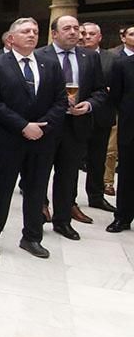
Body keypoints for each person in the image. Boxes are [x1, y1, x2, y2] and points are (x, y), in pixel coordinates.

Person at [0, 17, 67, 258]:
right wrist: (23, 126)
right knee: (1, 188)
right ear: (11, 38)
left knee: (36, 189)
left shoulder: (50, 64)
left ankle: (32, 237)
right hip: (7, 138)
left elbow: (61, 101)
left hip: (42, 139)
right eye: (26, 31)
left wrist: (42, 127)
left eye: (35, 31)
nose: (32, 35)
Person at [39, 15, 107, 238]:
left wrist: (88, 105)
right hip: (47, 124)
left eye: (75, 28)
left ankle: (63, 220)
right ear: (55, 33)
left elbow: (99, 91)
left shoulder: (89, 57)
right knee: (38, 173)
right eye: (66, 28)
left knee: (68, 175)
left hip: (76, 125)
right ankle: (36, 215)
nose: (73, 32)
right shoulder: (40, 55)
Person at [82, 22, 118, 213]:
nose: (87, 37)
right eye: (85, 34)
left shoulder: (112, 59)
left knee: (98, 160)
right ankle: (67, 200)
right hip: (77, 117)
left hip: (102, 116)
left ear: (100, 37)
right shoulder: (75, 57)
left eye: (92, 34)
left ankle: (96, 196)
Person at [107, 50, 134, 232]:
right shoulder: (123, 64)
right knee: (127, 174)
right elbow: (115, 97)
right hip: (131, 128)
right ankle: (123, 217)